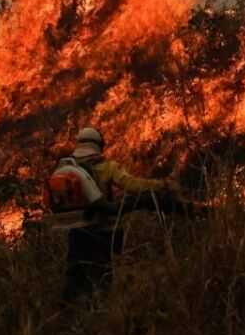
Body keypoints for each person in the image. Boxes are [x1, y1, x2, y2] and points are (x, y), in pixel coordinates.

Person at [47, 126, 179, 303]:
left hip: (76, 229)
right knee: (103, 274)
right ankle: (102, 312)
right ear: (98, 145)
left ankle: (71, 313)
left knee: (75, 272)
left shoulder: (65, 168)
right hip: (104, 229)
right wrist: (161, 184)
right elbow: (132, 185)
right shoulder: (107, 167)